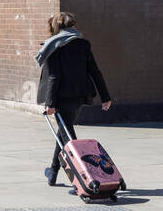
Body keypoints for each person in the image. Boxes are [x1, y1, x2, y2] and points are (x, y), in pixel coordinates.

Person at [35, 12, 112, 189]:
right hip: (79, 96)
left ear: (54, 27)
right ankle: (53, 171)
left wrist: (50, 103)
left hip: (60, 98)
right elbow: (95, 71)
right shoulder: (83, 44)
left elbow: (54, 76)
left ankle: (83, 178)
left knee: (69, 138)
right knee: (64, 132)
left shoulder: (53, 46)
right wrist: (105, 96)